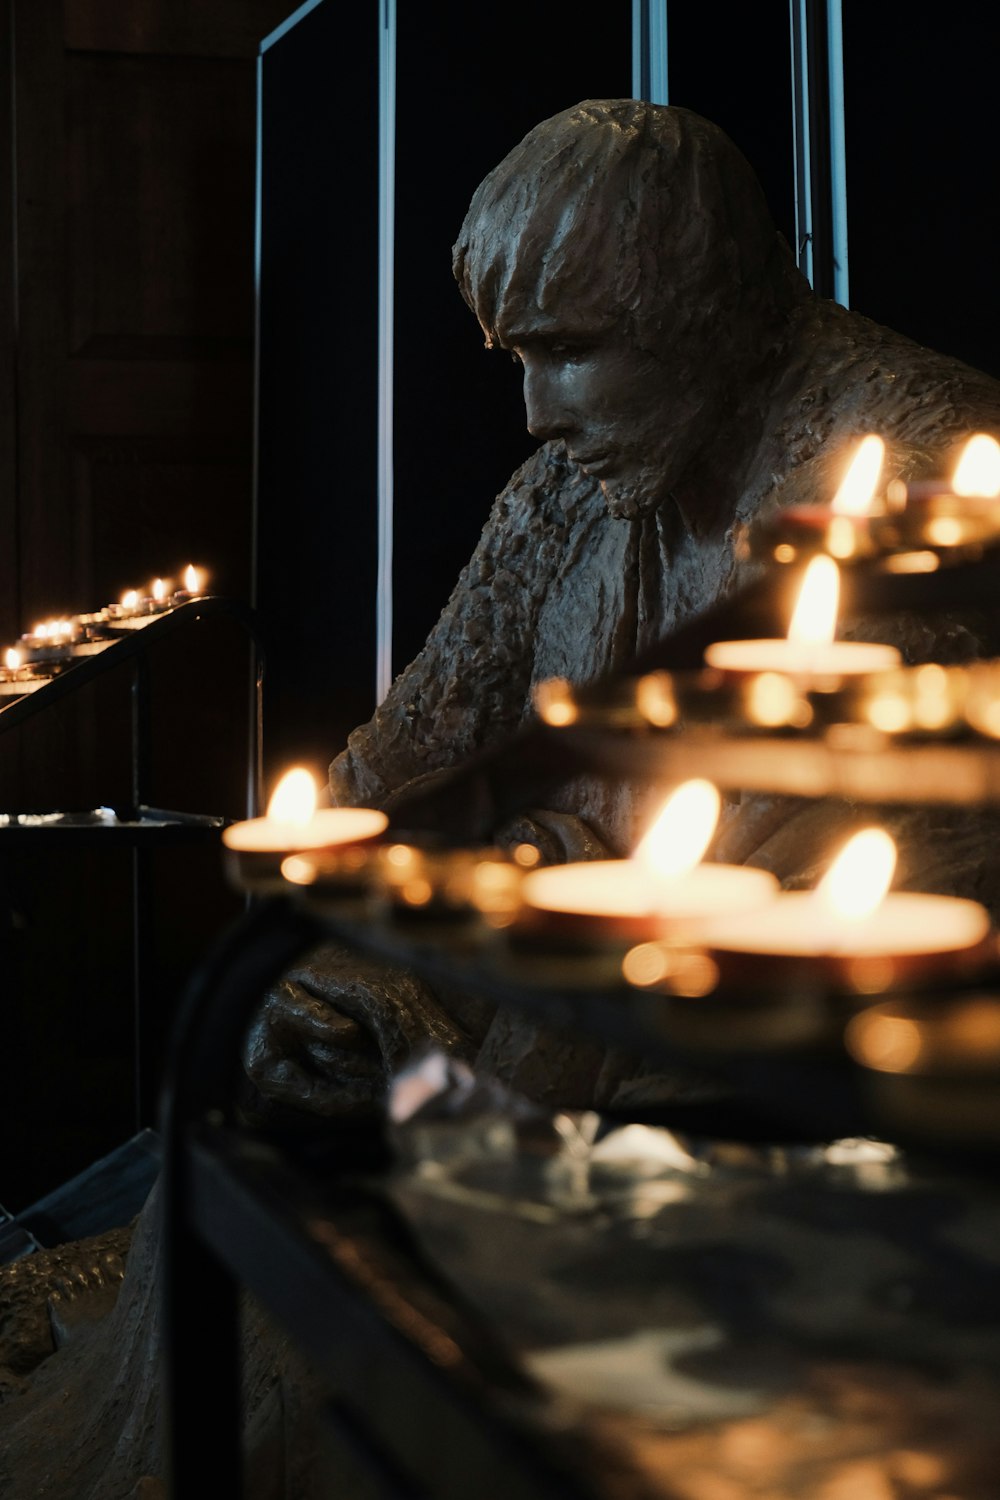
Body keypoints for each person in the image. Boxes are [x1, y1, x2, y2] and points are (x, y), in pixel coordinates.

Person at [243, 98, 1000, 1123]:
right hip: (554, 983)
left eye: (570, 351)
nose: (538, 414)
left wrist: (539, 866)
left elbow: (808, 876)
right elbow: (406, 759)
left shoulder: (924, 475)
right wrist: (329, 944)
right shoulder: (562, 493)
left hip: (790, 1047)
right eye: (520, 361)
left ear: (703, 308)